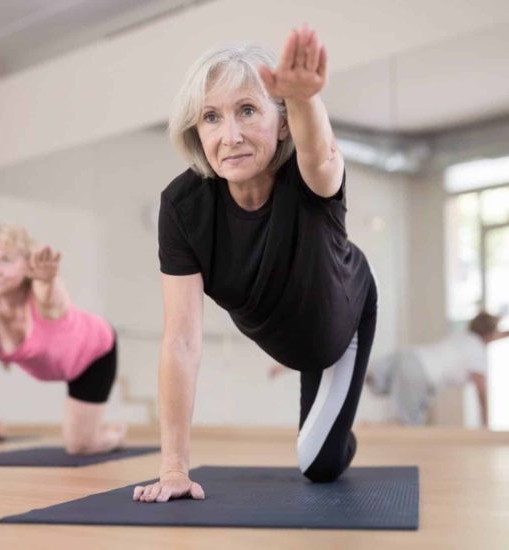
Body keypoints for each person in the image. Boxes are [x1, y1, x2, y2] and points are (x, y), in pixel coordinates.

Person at [133, 25, 377, 503]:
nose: (231, 135)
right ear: (195, 130)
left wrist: (306, 99)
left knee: (320, 465)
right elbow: (181, 339)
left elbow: (320, 152)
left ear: (281, 121)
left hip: (340, 316)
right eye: (211, 117)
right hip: (291, 329)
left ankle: (339, 411)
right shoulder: (183, 207)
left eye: (248, 110)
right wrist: (173, 468)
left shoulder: (307, 179)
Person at [0, 225, 126, 462]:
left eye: (6, 260)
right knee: (78, 444)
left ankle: (114, 435)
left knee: (80, 445)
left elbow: (51, 299)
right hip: (59, 363)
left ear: (28, 265)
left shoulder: (42, 290)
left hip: (95, 353)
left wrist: (49, 280)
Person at [366, 312, 509, 426]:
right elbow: (481, 391)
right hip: (420, 375)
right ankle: (372, 430)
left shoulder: (463, 335)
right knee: (407, 426)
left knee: (370, 376)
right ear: (489, 334)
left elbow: (495, 334)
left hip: (408, 357)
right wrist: (486, 424)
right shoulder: (477, 351)